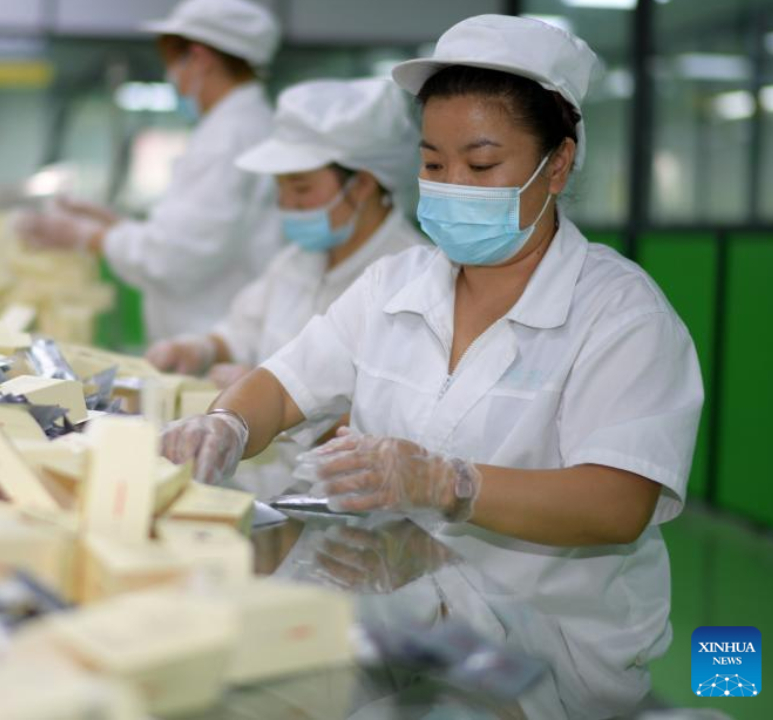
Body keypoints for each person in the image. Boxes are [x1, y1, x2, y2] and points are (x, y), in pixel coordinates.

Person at [161, 15, 703, 716]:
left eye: (481, 166)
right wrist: (228, 423)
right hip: (404, 592)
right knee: (232, 684)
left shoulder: (618, 313)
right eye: (433, 163)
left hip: (543, 645)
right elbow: (285, 382)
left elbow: (618, 503)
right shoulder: (398, 285)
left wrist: (450, 483)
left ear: (559, 163)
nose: (452, 185)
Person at [14, 0, 281, 342]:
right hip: (206, 329)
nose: (173, 77)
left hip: (210, 337)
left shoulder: (231, 136)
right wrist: (111, 223)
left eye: (173, 62)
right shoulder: (236, 127)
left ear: (199, 59)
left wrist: (86, 236)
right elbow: (189, 234)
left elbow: (174, 256)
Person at [145, 77, 426, 392]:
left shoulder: (412, 281)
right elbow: (243, 331)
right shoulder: (296, 261)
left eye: (301, 187)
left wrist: (272, 399)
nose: (286, 203)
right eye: (280, 187)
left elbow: (393, 414)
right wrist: (200, 349)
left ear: (361, 185)